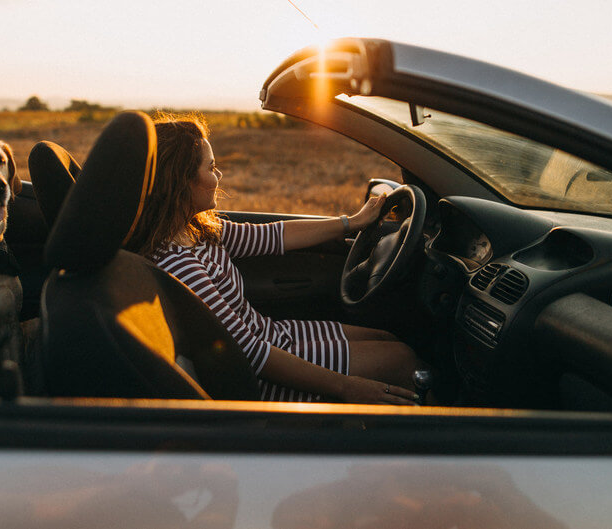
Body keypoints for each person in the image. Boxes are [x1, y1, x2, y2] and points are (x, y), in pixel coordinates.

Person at [130, 114, 423, 404]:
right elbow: (248, 352)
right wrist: (347, 387)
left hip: (275, 334)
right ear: (182, 181)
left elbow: (273, 235)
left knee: (389, 339)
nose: (219, 176)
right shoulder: (180, 265)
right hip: (264, 378)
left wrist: (352, 222)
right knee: (405, 361)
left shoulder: (196, 229)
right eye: (212, 167)